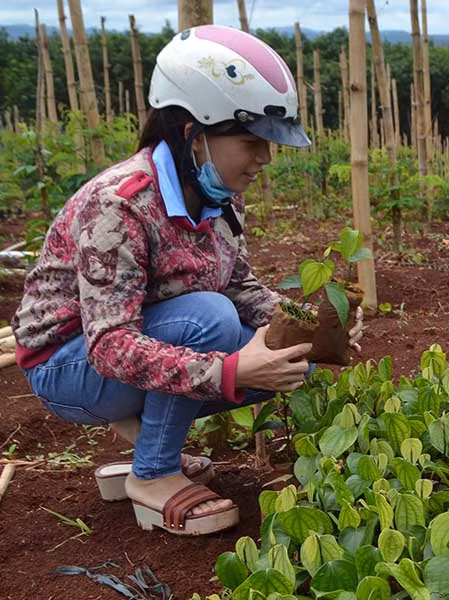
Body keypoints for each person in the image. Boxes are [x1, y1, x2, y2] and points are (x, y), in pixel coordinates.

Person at [11, 25, 363, 536]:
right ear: (191, 134)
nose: (265, 159)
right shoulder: (121, 204)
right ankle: (152, 475)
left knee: (291, 362)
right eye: (250, 142)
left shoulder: (218, 196)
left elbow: (239, 286)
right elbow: (109, 344)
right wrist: (229, 371)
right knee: (211, 321)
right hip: (66, 364)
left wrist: (313, 330)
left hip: (141, 347)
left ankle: (152, 446)